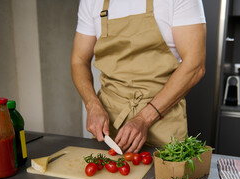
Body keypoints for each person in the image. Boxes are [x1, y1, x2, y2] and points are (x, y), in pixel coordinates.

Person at [71, 0, 206, 153]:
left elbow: (195, 66)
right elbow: (79, 60)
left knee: (165, 177)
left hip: (163, 121)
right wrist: (92, 105)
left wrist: (144, 119)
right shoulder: (91, 2)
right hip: (110, 124)